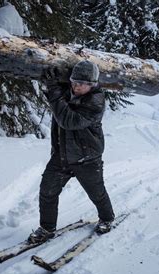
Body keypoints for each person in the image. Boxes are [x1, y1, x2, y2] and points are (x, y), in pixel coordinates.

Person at [28, 60, 115, 244]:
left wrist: (53, 90)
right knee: (47, 191)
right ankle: (47, 228)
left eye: (81, 83)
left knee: (96, 193)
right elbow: (59, 95)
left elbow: (68, 120)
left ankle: (107, 218)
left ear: (92, 85)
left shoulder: (96, 102)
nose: (76, 86)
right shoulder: (69, 90)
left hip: (87, 157)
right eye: (74, 81)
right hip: (63, 155)